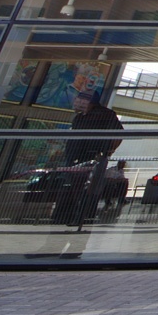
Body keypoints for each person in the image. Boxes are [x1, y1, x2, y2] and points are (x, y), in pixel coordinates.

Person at [53, 89, 124, 227]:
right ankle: (66, 216)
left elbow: (119, 134)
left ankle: (81, 217)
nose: (77, 102)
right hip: (75, 158)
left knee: (86, 189)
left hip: (92, 157)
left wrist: (107, 152)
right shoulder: (80, 117)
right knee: (72, 187)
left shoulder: (104, 115)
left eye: (81, 100)